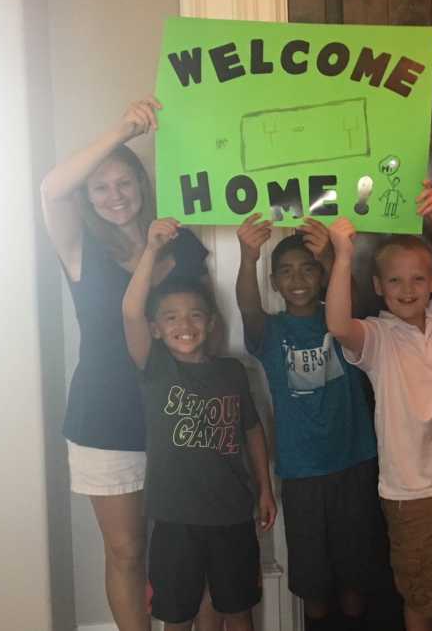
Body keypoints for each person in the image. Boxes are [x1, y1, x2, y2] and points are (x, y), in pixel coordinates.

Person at [40, 97, 215, 630]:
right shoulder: (80, 248)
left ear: (143, 186)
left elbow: (204, 327)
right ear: (89, 198)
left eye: (125, 183)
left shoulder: (180, 245)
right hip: (104, 418)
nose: (115, 196)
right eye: (101, 187)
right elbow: (50, 189)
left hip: (177, 413)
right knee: (125, 551)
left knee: (189, 545)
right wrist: (122, 130)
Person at [324, 181, 432, 631]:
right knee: (421, 594)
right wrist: (342, 256)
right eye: (395, 280)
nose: (408, 288)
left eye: (419, 278)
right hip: (410, 495)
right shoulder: (376, 337)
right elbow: (338, 324)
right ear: (378, 287)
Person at [122, 218, 277, 631]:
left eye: (194, 316)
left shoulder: (232, 373)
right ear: (156, 330)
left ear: (210, 323)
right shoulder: (155, 369)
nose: (184, 325)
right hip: (174, 520)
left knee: (238, 609)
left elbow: (252, 431)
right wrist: (152, 249)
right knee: (177, 616)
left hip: (232, 517)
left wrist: (265, 488)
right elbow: (130, 311)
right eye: (170, 318)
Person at [235, 214, 383, 631]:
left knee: (356, 573)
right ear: (274, 283)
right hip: (302, 474)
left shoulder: (340, 319)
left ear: (322, 277)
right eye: (285, 271)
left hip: (354, 462)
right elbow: (247, 305)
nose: (297, 278)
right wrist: (248, 258)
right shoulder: (271, 330)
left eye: (307, 268)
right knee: (313, 580)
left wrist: (335, 256)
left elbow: (351, 301)